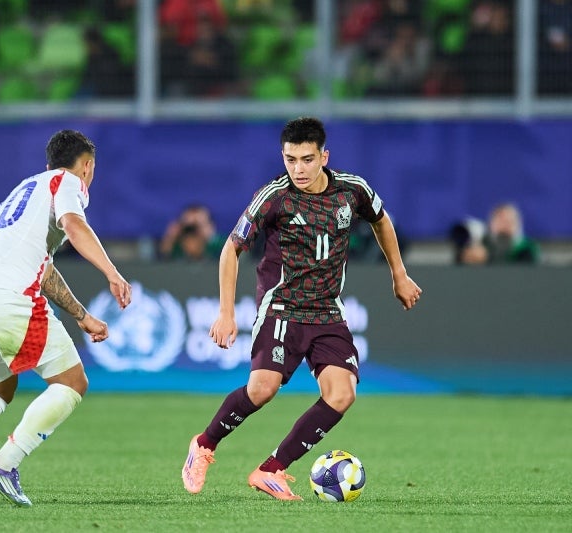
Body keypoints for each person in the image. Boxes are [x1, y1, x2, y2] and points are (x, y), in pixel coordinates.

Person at [181, 116, 422, 500]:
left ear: (324, 156)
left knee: (342, 394)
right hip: (282, 308)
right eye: (290, 160)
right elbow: (231, 248)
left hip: (327, 312)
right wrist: (226, 312)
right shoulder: (275, 197)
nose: (298, 169)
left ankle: (271, 470)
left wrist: (399, 274)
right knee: (262, 389)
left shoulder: (352, 190)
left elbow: (381, 220)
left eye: (307, 159)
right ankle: (204, 445)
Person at [0, 129, 132, 508]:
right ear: (87, 166)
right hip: (10, 297)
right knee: (72, 382)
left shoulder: (27, 188)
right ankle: (4, 464)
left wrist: (81, 315)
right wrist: (112, 272)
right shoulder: (68, 182)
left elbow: (44, 268)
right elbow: (75, 225)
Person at [453, 202, 540, 265]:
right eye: (501, 221)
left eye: (509, 221)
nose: (505, 225)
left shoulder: (526, 248)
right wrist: (466, 257)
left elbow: (523, 272)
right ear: (491, 223)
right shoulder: (483, 243)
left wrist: (487, 259)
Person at [159, 204, 224, 261]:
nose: (193, 235)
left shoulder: (219, 244)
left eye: (199, 227)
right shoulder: (176, 247)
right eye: (189, 230)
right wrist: (170, 238)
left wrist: (211, 238)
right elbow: (163, 255)